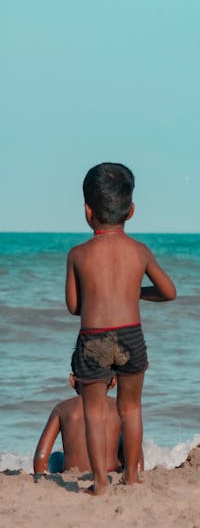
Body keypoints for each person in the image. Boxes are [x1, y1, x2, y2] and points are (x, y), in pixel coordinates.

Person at [66, 162, 176, 495]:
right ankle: (131, 477)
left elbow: (74, 307)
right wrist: (134, 293)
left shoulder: (78, 254)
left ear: (88, 211)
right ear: (131, 210)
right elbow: (169, 292)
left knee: (95, 412)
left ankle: (100, 484)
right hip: (131, 336)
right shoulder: (140, 252)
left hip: (93, 339)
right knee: (131, 408)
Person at [33, 373, 122, 474]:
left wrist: (40, 475)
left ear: (72, 380)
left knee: (55, 457)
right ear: (113, 381)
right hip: (110, 471)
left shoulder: (62, 408)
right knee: (123, 441)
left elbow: (41, 456)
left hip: (74, 472)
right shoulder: (119, 406)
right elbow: (135, 452)